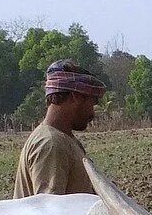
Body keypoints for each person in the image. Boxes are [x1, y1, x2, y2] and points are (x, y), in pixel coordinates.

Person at [12, 60, 108, 198]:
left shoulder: (64, 139)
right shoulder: (51, 144)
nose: (92, 113)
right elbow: (50, 212)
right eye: (91, 103)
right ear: (75, 97)